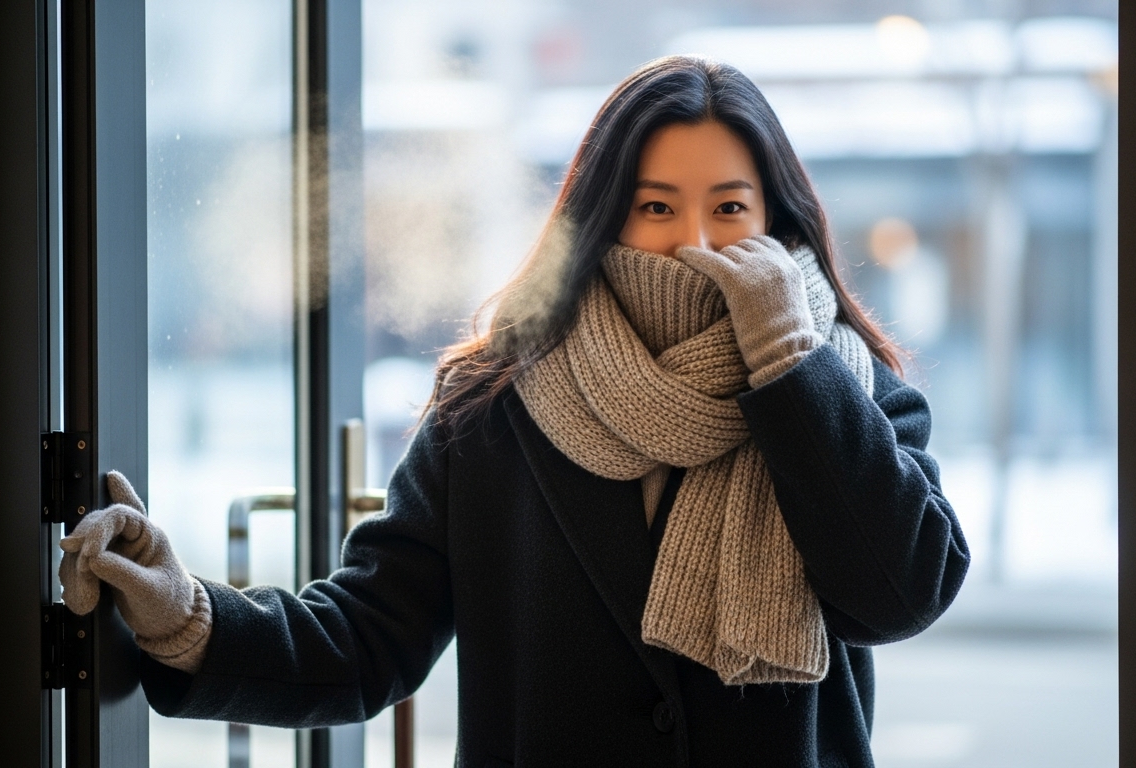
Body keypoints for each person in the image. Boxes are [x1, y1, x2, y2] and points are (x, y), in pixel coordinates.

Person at [59, 55, 970, 767]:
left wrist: (788, 365)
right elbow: (371, 634)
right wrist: (187, 615)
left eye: (730, 207)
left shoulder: (846, 386)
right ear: (604, 217)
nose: (695, 243)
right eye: (656, 207)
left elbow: (900, 596)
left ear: (778, 221)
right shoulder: (491, 404)